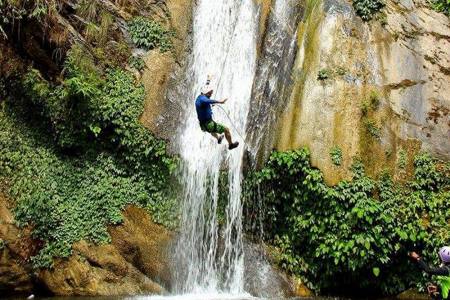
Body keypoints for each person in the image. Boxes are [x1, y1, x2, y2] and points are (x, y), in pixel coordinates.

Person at [195, 76, 239, 150]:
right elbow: (207, 101)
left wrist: (208, 80)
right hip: (209, 124)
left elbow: (206, 88)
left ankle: (218, 138)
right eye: (210, 94)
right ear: (206, 93)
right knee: (226, 129)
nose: (211, 95)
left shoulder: (200, 96)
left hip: (203, 125)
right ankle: (231, 145)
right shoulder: (203, 99)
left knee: (212, 130)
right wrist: (220, 102)